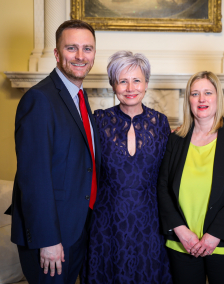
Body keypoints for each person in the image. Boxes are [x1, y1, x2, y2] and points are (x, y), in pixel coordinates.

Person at [10, 20, 100, 284]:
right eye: (72, 48)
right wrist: (48, 240)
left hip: (76, 227)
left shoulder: (79, 98)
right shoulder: (40, 99)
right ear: (57, 53)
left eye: (88, 48)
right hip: (50, 238)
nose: (81, 56)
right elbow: (33, 177)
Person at [81, 51, 172, 283]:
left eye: (136, 80)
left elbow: (169, 175)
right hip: (107, 223)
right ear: (113, 85)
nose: (130, 87)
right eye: (123, 81)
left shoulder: (160, 123)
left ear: (146, 84)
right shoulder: (98, 120)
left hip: (150, 223)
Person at [157, 71, 224, 284]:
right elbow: (162, 187)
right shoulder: (176, 140)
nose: (201, 99)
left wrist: (214, 234)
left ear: (218, 97)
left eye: (208, 92)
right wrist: (180, 231)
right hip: (182, 244)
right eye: (195, 93)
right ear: (188, 99)